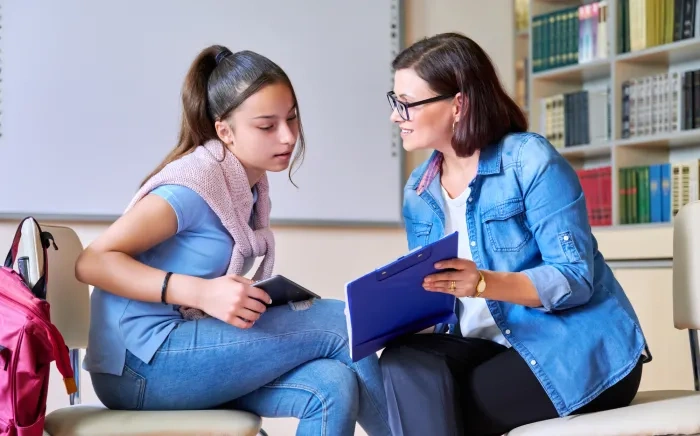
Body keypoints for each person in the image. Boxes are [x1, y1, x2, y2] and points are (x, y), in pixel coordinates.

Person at [75, 45, 390, 436]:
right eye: (267, 125)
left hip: (181, 354)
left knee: (331, 385)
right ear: (225, 131)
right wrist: (201, 293)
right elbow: (92, 262)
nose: (288, 136)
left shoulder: (248, 186)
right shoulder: (191, 187)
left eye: (292, 119)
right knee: (338, 322)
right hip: (138, 368)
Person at [379, 33, 650, 436]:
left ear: (458, 104)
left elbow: (574, 278)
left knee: (441, 403)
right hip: (485, 349)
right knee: (399, 364)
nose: (395, 115)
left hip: (570, 345)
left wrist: (483, 282)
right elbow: (441, 298)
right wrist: (392, 313)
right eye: (394, 101)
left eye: (407, 103)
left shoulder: (529, 160)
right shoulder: (419, 190)